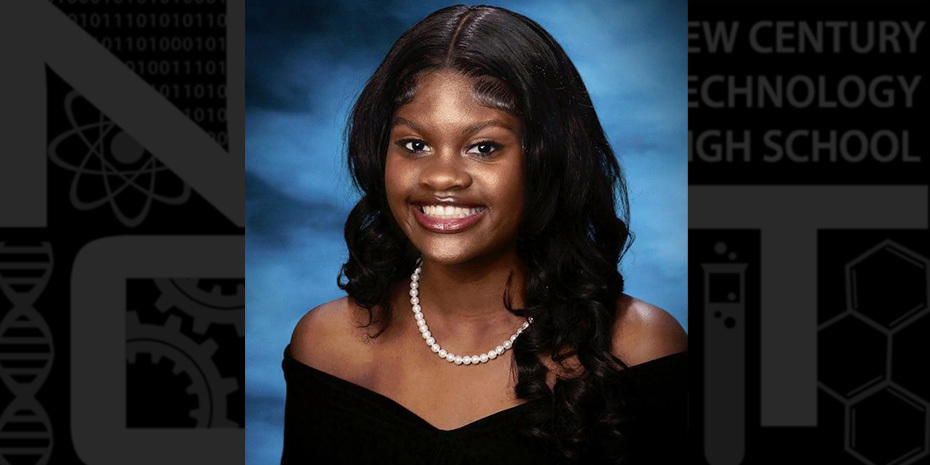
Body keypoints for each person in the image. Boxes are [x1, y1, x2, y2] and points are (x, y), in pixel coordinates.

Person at [282, 5, 687, 464]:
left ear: (545, 159)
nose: (442, 177)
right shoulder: (327, 345)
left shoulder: (637, 349)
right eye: (414, 145)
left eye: (484, 147)